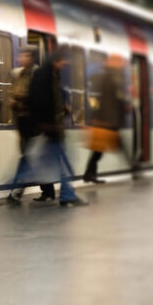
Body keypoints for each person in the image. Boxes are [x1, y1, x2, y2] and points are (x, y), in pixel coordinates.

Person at [28, 49, 87, 206]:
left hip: (51, 128)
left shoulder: (51, 74)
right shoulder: (44, 75)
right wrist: (47, 123)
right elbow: (40, 100)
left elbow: (53, 99)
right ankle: (67, 195)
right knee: (61, 164)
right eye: (63, 61)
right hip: (50, 129)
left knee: (58, 163)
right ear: (56, 60)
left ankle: (64, 194)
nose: (65, 64)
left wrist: (64, 109)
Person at [83, 54, 131, 183]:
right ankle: (134, 168)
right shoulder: (113, 78)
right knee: (104, 148)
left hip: (105, 119)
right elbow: (115, 98)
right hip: (108, 120)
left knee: (98, 150)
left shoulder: (107, 77)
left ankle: (89, 174)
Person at [6, 47, 39, 205]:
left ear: (32, 58)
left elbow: (34, 98)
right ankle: (48, 190)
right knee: (30, 156)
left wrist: (18, 100)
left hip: (33, 122)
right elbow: (15, 93)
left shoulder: (36, 74)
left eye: (25, 56)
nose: (21, 58)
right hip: (22, 121)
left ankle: (17, 190)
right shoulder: (19, 74)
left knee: (27, 157)